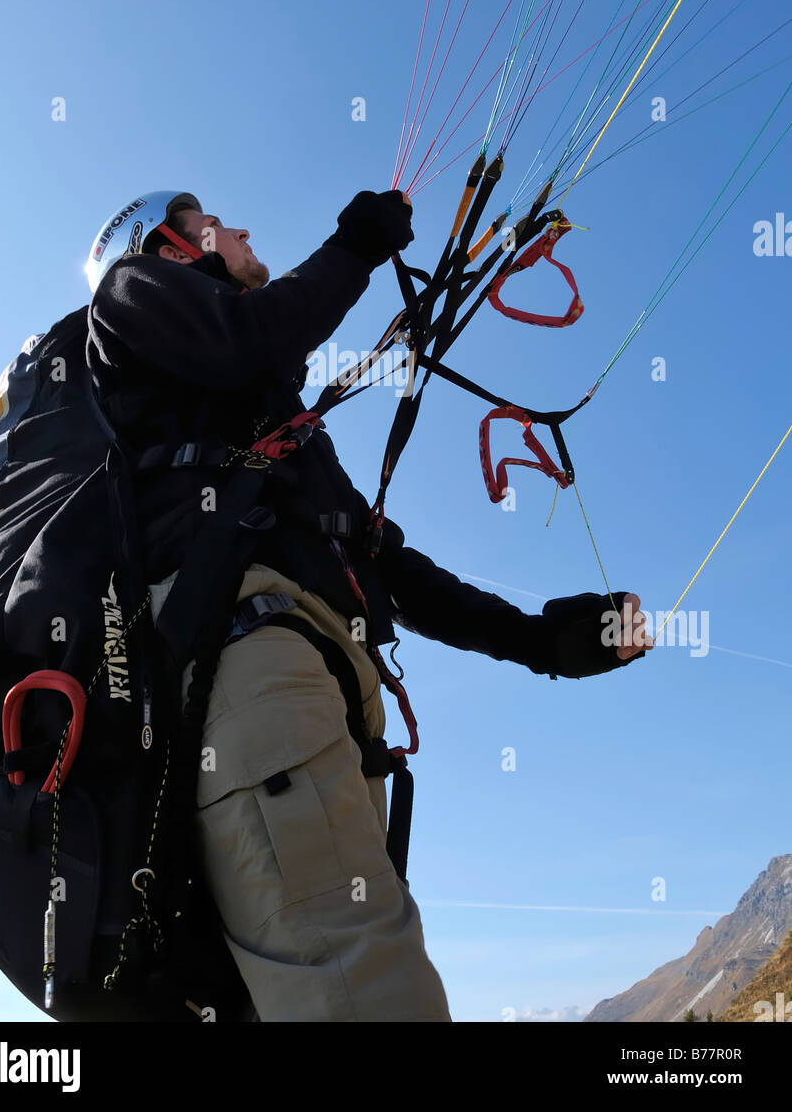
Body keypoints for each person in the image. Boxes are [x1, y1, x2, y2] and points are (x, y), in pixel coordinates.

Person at [85, 189, 652, 1023]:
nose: (242, 227)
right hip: (254, 679)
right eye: (217, 222)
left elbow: (385, 562)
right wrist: (356, 243)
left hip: (315, 709)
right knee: (368, 994)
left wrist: (541, 641)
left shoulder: (268, 435)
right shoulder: (125, 294)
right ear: (169, 248)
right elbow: (253, 334)